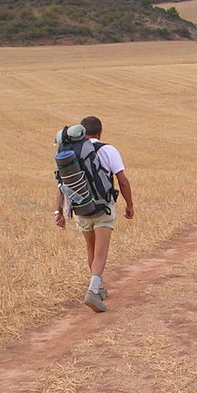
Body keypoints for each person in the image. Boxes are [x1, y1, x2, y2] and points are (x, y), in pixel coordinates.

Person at [53, 116, 134, 313]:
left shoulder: (72, 152)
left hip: (81, 208)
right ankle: (92, 292)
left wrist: (59, 212)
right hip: (103, 207)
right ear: (100, 132)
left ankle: (98, 287)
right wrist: (129, 205)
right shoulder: (108, 150)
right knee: (101, 252)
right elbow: (122, 181)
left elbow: (61, 184)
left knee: (91, 248)